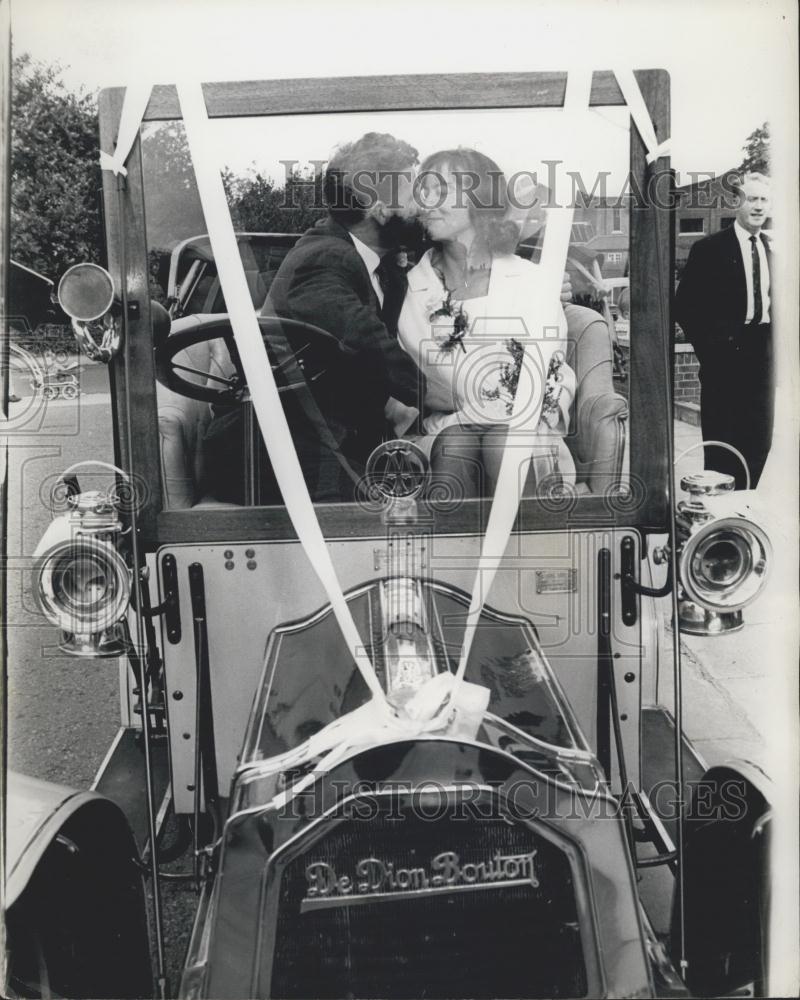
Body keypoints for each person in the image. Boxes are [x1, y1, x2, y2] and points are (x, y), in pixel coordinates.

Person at [203, 133, 425, 504]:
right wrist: (451, 395)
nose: (423, 206)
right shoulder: (323, 259)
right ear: (380, 206)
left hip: (329, 442)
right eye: (413, 192)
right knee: (391, 515)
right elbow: (370, 347)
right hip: (272, 450)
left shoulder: (375, 259)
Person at [396, 148, 576, 498]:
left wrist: (491, 413)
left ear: (481, 200)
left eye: (444, 190)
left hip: (523, 429)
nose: (428, 202)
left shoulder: (532, 281)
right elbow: (409, 388)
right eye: (425, 191)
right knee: (456, 444)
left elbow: (548, 373)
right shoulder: (410, 290)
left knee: (503, 443)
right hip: (444, 430)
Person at [675, 172, 773, 489]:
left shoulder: (773, 253)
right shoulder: (710, 249)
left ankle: (744, 507)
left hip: (762, 359)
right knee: (721, 452)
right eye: (752, 199)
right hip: (724, 361)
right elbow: (685, 307)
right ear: (736, 202)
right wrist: (714, 352)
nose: (759, 206)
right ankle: (719, 521)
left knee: (758, 445)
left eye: (764, 200)